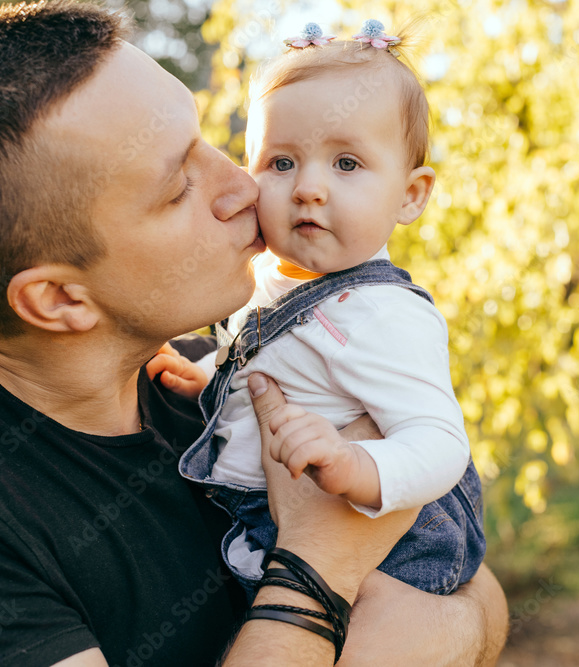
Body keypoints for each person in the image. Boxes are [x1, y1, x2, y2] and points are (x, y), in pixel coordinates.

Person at [0, 2, 507, 666]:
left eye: (209, 141)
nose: (243, 186)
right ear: (60, 298)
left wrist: (449, 622)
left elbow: (479, 593)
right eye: (179, 186)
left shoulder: (218, 370)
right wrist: (319, 563)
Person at [148, 20, 484, 602]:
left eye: (346, 164)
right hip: (267, 520)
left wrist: (356, 464)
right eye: (281, 163)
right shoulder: (266, 280)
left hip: (383, 542)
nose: (308, 188)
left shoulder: (382, 314)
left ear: (410, 195)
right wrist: (208, 376)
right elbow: (274, 364)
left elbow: (440, 444)